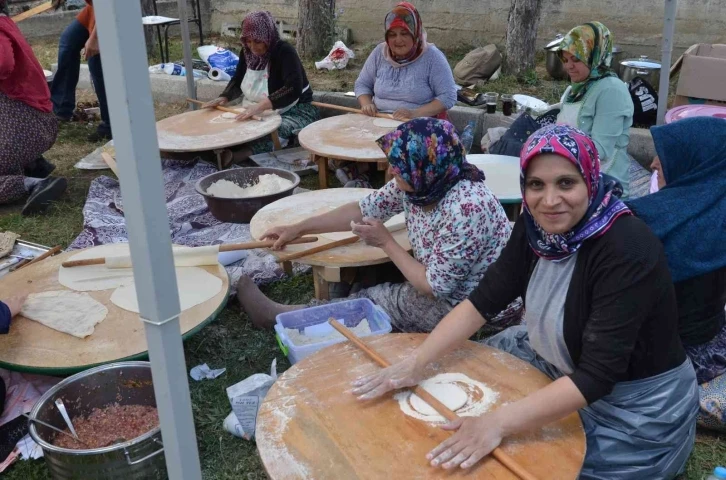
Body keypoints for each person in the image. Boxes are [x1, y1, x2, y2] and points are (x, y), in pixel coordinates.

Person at [352, 125, 698, 478]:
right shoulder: (536, 226)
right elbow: (482, 301)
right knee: (465, 376)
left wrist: (496, 424)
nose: (549, 200)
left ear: (591, 180)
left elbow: (596, 376)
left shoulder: (627, 250)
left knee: (532, 466)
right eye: (536, 185)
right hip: (561, 362)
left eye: (566, 183)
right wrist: (416, 363)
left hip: (632, 406)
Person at [237, 119, 515, 333]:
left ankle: (283, 317)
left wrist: (386, 242)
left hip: (473, 306)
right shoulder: (422, 182)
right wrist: (299, 228)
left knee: (374, 301)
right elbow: (363, 209)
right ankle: (342, 301)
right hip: (445, 278)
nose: (392, 171)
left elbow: (433, 286)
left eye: (399, 166)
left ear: (425, 167)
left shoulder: (466, 209)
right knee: (373, 270)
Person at [628, 117, 726, 431]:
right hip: (711, 345)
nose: (654, 163)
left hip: (661, 360)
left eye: (667, 156)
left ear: (697, 163)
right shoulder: (717, 206)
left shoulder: (651, 221)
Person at [340, 2, 457, 187]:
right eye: (392, 34)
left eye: (404, 33)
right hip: (379, 117)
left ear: (415, 33)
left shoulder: (432, 57)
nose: (398, 40)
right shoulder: (380, 53)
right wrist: (366, 104)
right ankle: (363, 173)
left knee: (402, 144)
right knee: (348, 131)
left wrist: (414, 114)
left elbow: (448, 96)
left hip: (418, 123)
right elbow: (362, 84)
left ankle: (371, 176)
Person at [203, 11, 319, 164]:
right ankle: (219, 151)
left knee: (271, 131)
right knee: (231, 125)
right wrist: (224, 97)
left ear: (268, 37)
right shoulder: (247, 52)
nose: (253, 47)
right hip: (255, 107)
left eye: (257, 41)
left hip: (295, 109)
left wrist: (262, 106)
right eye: (248, 42)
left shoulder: (284, 52)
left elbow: (293, 87)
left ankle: (239, 155)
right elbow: (238, 79)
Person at [556, 22, 649, 200]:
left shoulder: (611, 90)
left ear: (595, 56)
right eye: (566, 60)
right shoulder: (578, 88)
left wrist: (555, 151)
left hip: (605, 187)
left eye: (576, 59)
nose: (569, 66)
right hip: (576, 179)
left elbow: (600, 150)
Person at [0, 4, 67, 215]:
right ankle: (32, 165)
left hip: (24, 129)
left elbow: (2, 64)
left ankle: (31, 184)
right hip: (33, 126)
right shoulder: (4, 23)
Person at [50, 0, 111, 142]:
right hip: (94, 9)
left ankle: (111, 125)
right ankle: (61, 109)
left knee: (96, 61)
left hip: (109, 8)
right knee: (68, 42)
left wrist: (95, 37)